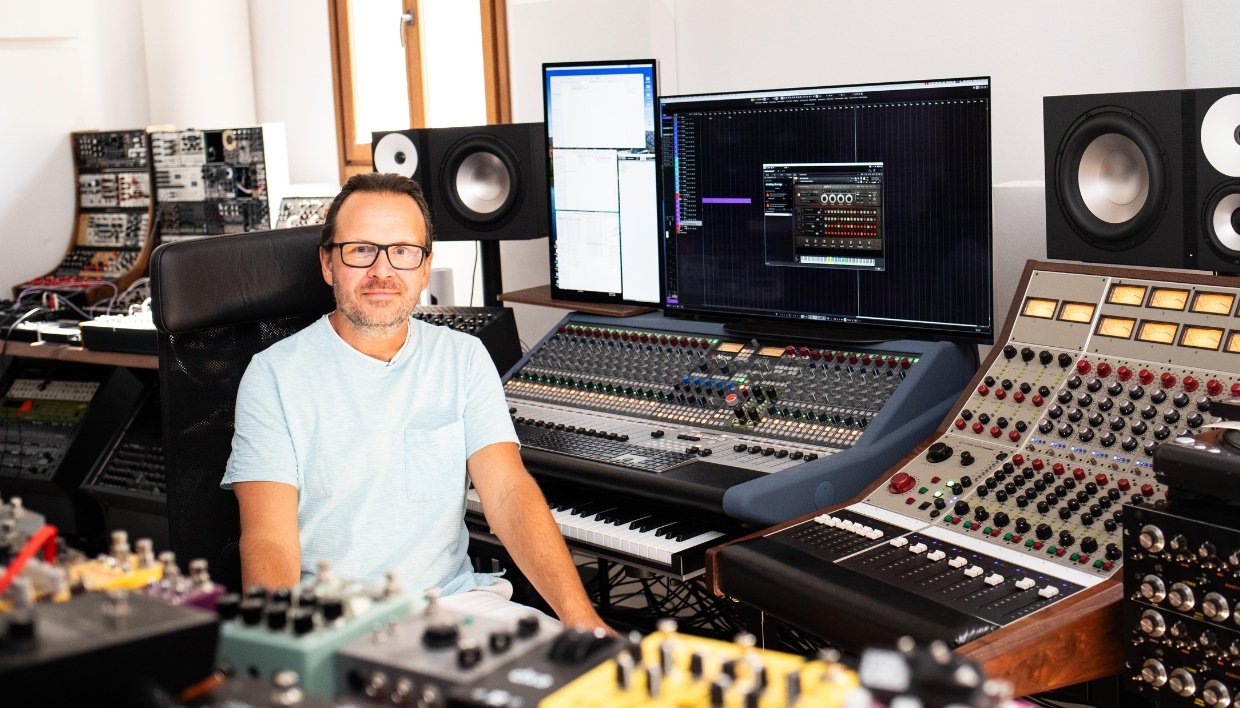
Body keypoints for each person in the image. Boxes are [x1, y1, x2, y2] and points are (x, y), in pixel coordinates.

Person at [221, 172, 606, 629]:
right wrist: (281, 647)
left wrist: (583, 621)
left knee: (589, 671)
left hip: (456, 606)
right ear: (328, 263)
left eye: (403, 251)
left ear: (424, 268)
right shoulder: (273, 375)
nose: (382, 272)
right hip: (335, 624)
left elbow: (508, 493)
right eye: (360, 250)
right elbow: (269, 539)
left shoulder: (463, 357)